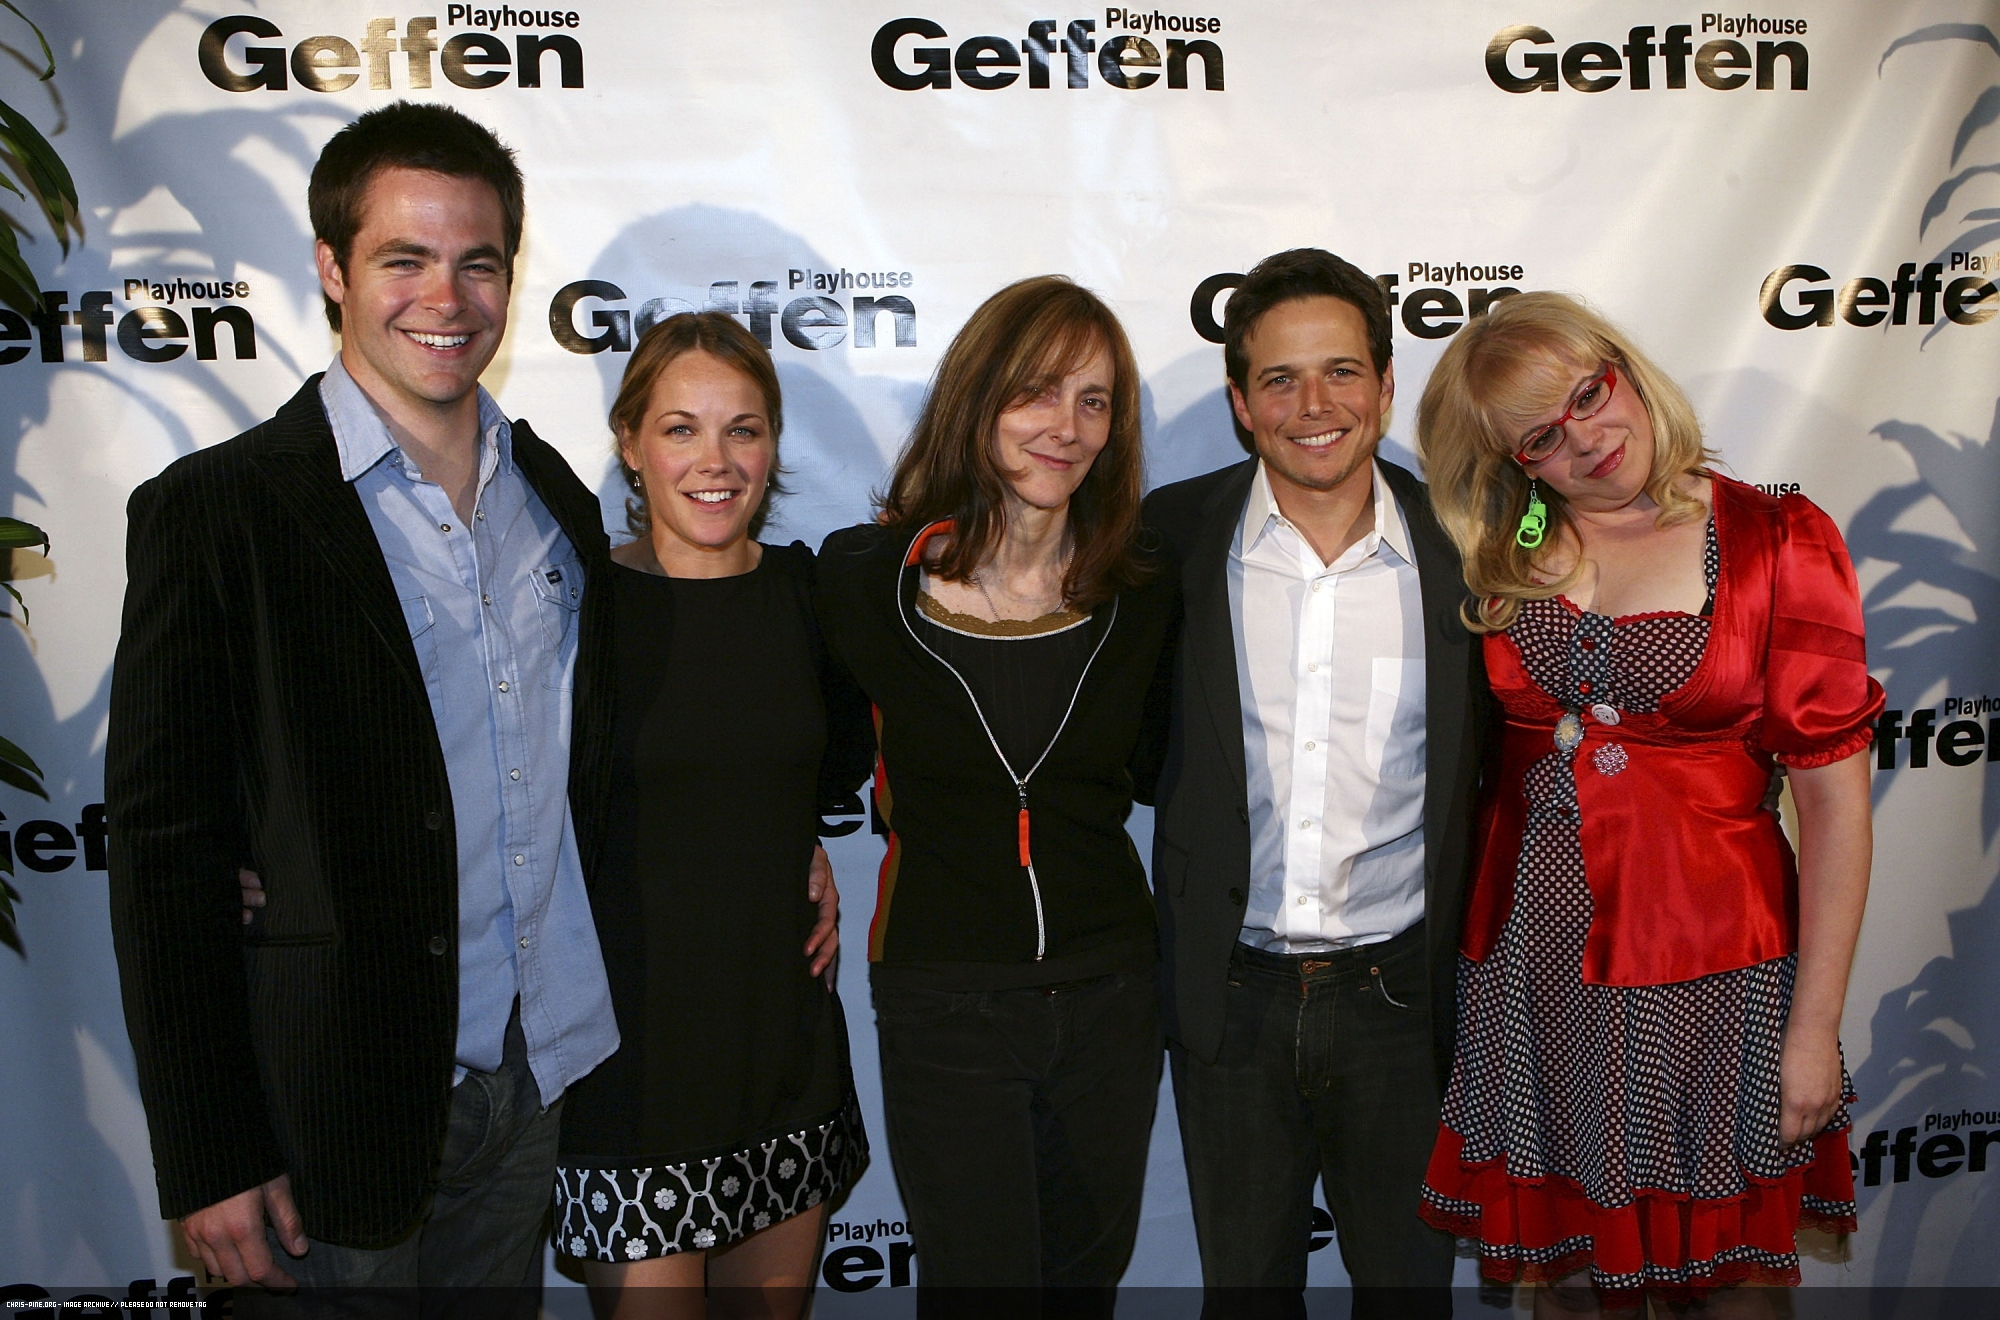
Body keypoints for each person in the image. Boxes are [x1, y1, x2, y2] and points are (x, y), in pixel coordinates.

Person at [104, 101, 616, 1302]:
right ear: (332, 268)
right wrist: (211, 1151)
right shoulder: (218, 510)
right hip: (328, 1101)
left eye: (478, 262)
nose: (447, 298)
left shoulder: (553, 498)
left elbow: (603, 749)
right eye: (404, 259)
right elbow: (165, 853)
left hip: (534, 1079)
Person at [1412, 292, 1880, 1313]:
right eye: (1542, 436)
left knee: (1735, 1281)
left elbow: (1836, 810)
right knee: (1567, 1282)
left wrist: (1814, 1030)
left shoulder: (1776, 540)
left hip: (1716, 976)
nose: (1585, 440)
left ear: (1622, 370)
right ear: (1514, 463)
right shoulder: (1493, 558)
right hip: (1534, 975)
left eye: (1588, 395)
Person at [814, 275, 1177, 1313]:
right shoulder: (865, 579)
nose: (1067, 426)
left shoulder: (1142, 588)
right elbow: (806, 757)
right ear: (978, 398)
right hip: (943, 999)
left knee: (1084, 1290)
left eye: (1094, 401)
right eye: (1037, 391)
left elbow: (1162, 765)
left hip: (1111, 992)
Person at [1142, 248, 1488, 1320]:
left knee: (1409, 1297)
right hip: (1229, 1001)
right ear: (1241, 403)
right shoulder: (1165, 540)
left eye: (1341, 371)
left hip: (1404, 1004)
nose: (1314, 405)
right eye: (1280, 380)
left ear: (1384, 386)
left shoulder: (1469, 545)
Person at [549, 311, 873, 1319]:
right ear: (629, 444)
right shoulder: (574, 607)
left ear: (772, 444)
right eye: (680, 428)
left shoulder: (808, 593)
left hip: (782, 1044)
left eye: (743, 429)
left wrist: (807, 848)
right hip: (626, 1065)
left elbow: (826, 772)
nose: (715, 461)